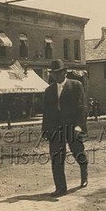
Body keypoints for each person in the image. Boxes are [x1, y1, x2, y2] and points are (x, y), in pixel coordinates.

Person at [42, 59, 88, 197]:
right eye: (53, 73)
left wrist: (80, 126)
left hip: (72, 127)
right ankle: (60, 188)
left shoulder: (76, 85)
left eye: (58, 73)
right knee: (56, 157)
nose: (56, 76)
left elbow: (82, 108)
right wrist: (45, 130)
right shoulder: (49, 90)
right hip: (56, 129)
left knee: (78, 152)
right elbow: (47, 112)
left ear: (64, 72)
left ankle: (84, 173)